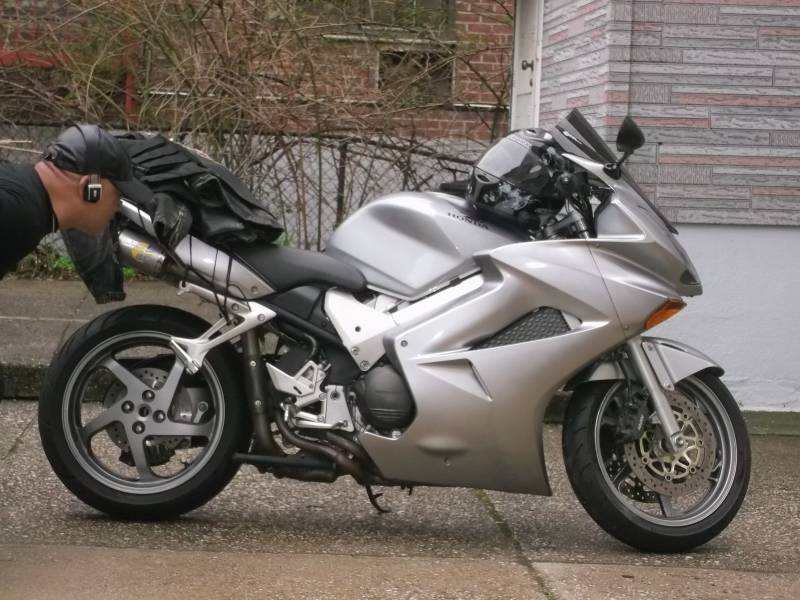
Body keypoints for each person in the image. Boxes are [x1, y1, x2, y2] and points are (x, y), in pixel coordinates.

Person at [0, 124, 132, 279]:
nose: (118, 207)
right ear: (90, 187)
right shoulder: (18, 213)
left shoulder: (27, 196)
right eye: (118, 196)